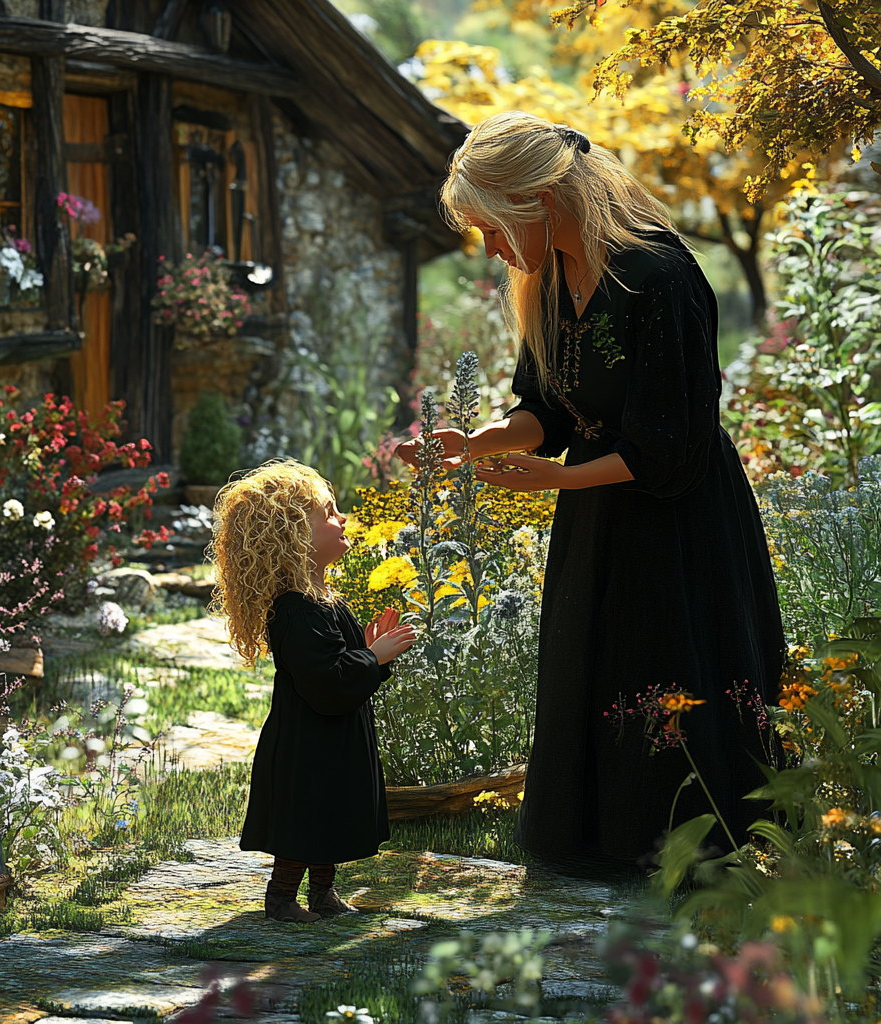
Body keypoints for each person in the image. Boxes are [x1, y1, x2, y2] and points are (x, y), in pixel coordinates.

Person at [399, 111, 785, 863]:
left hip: (679, 521)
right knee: (595, 666)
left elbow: (670, 447)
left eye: (493, 226)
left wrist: (561, 477)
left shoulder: (659, 277)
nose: (491, 247)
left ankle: (692, 849)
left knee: (665, 666)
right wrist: (484, 439)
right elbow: (545, 407)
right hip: (597, 512)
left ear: (538, 200)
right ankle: (602, 842)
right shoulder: (547, 284)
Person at [209, 460, 416, 922]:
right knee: (308, 815)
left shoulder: (324, 600)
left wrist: (365, 650)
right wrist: (374, 657)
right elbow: (323, 681)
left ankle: (323, 894)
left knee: (332, 813)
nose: (342, 519)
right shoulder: (296, 610)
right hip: (310, 743)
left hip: (333, 736)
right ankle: (282, 897)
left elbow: (338, 667)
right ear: (291, 536)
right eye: (329, 513)